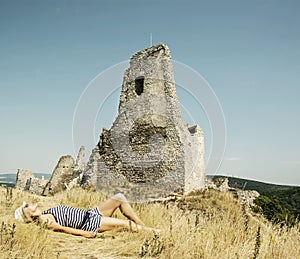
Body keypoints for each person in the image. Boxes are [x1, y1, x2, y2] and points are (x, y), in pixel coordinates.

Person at [14, 193, 158, 238]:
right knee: (124, 224)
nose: (30, 204)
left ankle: (143, 226)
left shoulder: (44, 214)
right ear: (28, 214)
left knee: (119, 198)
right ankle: (154, 233)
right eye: (27, 206)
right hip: (91, 223)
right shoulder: (45, 220)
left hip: (90, 214)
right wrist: (87, 234)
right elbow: (64, 229)